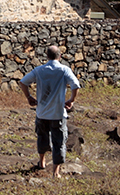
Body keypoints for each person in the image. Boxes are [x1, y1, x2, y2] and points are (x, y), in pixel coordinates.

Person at [19, 45, 80, 178]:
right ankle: (55, 172)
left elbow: (23, 82)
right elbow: (75, 85)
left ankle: (42, 162)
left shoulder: (39, 70)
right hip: (58, 113)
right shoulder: (64, 70)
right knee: (58, 141)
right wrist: (71, 100)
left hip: (42, 112)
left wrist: (29, 97)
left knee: (42, 137)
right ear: (60, 56)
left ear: (47, 56)